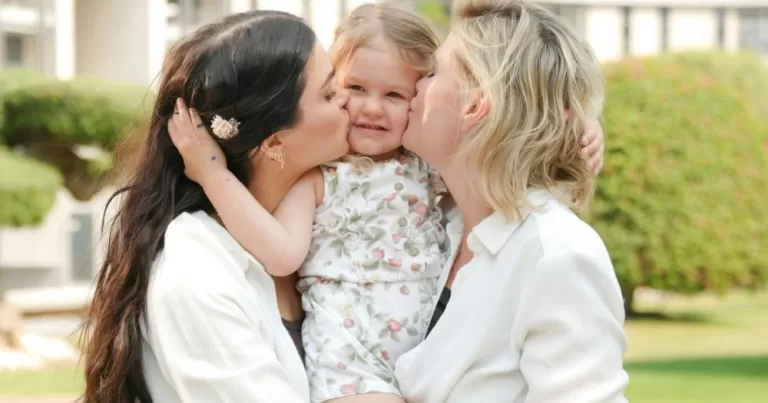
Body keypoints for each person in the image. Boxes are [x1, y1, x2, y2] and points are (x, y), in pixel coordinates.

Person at [168, 2, 614, 403]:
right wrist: (215, 175)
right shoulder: (452, 221)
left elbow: (519, 153)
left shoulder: (540, 244)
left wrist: (574, 127)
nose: (376, 107)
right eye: (346, 89)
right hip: (353, 371)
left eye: (424, 79)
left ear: (477, 105)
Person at [81, 10, 349, 403]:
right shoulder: (197, 274)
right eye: (328, 93)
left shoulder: (331, 220)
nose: (348, 98)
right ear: (274, 143)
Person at [393, 1, 629, 402]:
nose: (413, 85)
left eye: (433, 73)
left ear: (476, 104)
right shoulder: (432, 226)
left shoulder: (556, 254)